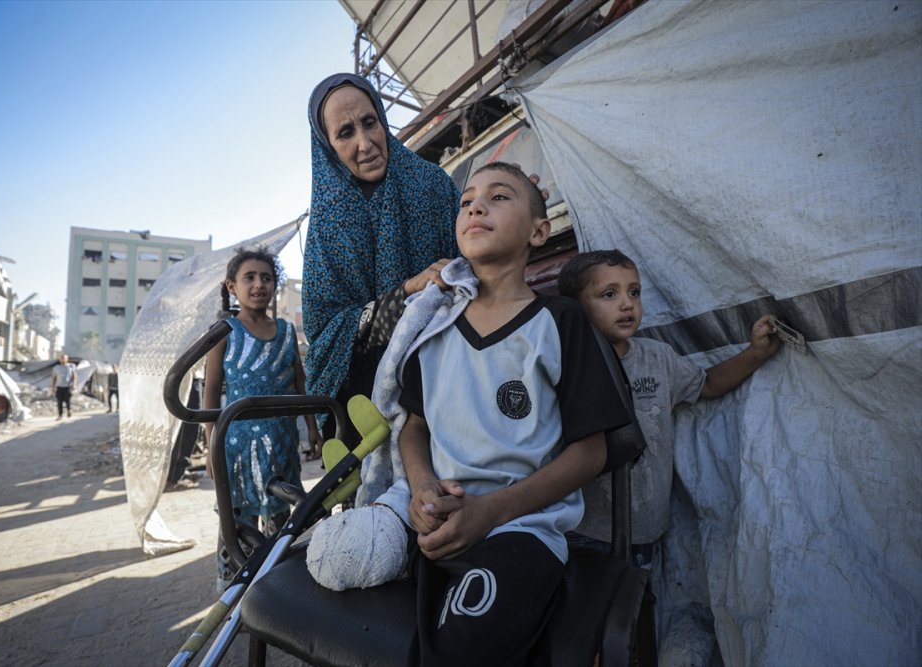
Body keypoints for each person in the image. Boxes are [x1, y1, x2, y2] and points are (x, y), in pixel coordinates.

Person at [307, 163, 631, 665]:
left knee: (464, 646)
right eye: (467, 201)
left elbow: (592, 451)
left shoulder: (559, 322)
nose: (476, 206)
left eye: (499, 197)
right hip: (432, 517)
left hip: (518, 526)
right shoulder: (433, 325)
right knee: (335, 566)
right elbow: (412, 426)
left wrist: (490, 513)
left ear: (538, 231)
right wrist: (419, 489)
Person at [557, 249, 782, 565]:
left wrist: (755, 353)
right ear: (575, 308)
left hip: (647, 529)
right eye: (609, 294)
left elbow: (707, 384)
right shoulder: (566, 366)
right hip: (585, 530)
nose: (627, 304)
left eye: (634, 292)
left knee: (637, 605)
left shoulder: (657, 357)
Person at [302, 73, 460, 439]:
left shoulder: (432, 185)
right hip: (367, 402)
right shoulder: (329, 224)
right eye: (345, 133)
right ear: (326, 145)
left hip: (447, 377)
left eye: (369, 123)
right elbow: (325, 334)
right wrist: (402, 294)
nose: (365, 143)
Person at [202, 247, 324, 590]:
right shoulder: (223, 332)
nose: (259, 284)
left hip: (281, 445)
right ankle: (234, 597)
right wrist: (212, 443)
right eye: (249, 278)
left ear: (275, 286)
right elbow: (210, 393)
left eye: (266, 278)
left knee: (280, 522)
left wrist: (312, 428)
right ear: (231, 286)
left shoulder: (286, 332)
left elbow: (300, 384)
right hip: (236, 447)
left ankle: (274, 591)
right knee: (237, 521)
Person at [50, 353, 75, 421]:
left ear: (67, 359)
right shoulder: (56, 368)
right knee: (59, 401)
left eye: (64, 358)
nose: (63, 359)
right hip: (59, 386)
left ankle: (69, 410)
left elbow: (74, 376)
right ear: (59, 359)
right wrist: (52, 387)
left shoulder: (70, 367)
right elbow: (54, 378)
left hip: (67, 386)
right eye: (61, 358)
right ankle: (60, 415)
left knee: (68, 400)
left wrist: (73, 384)